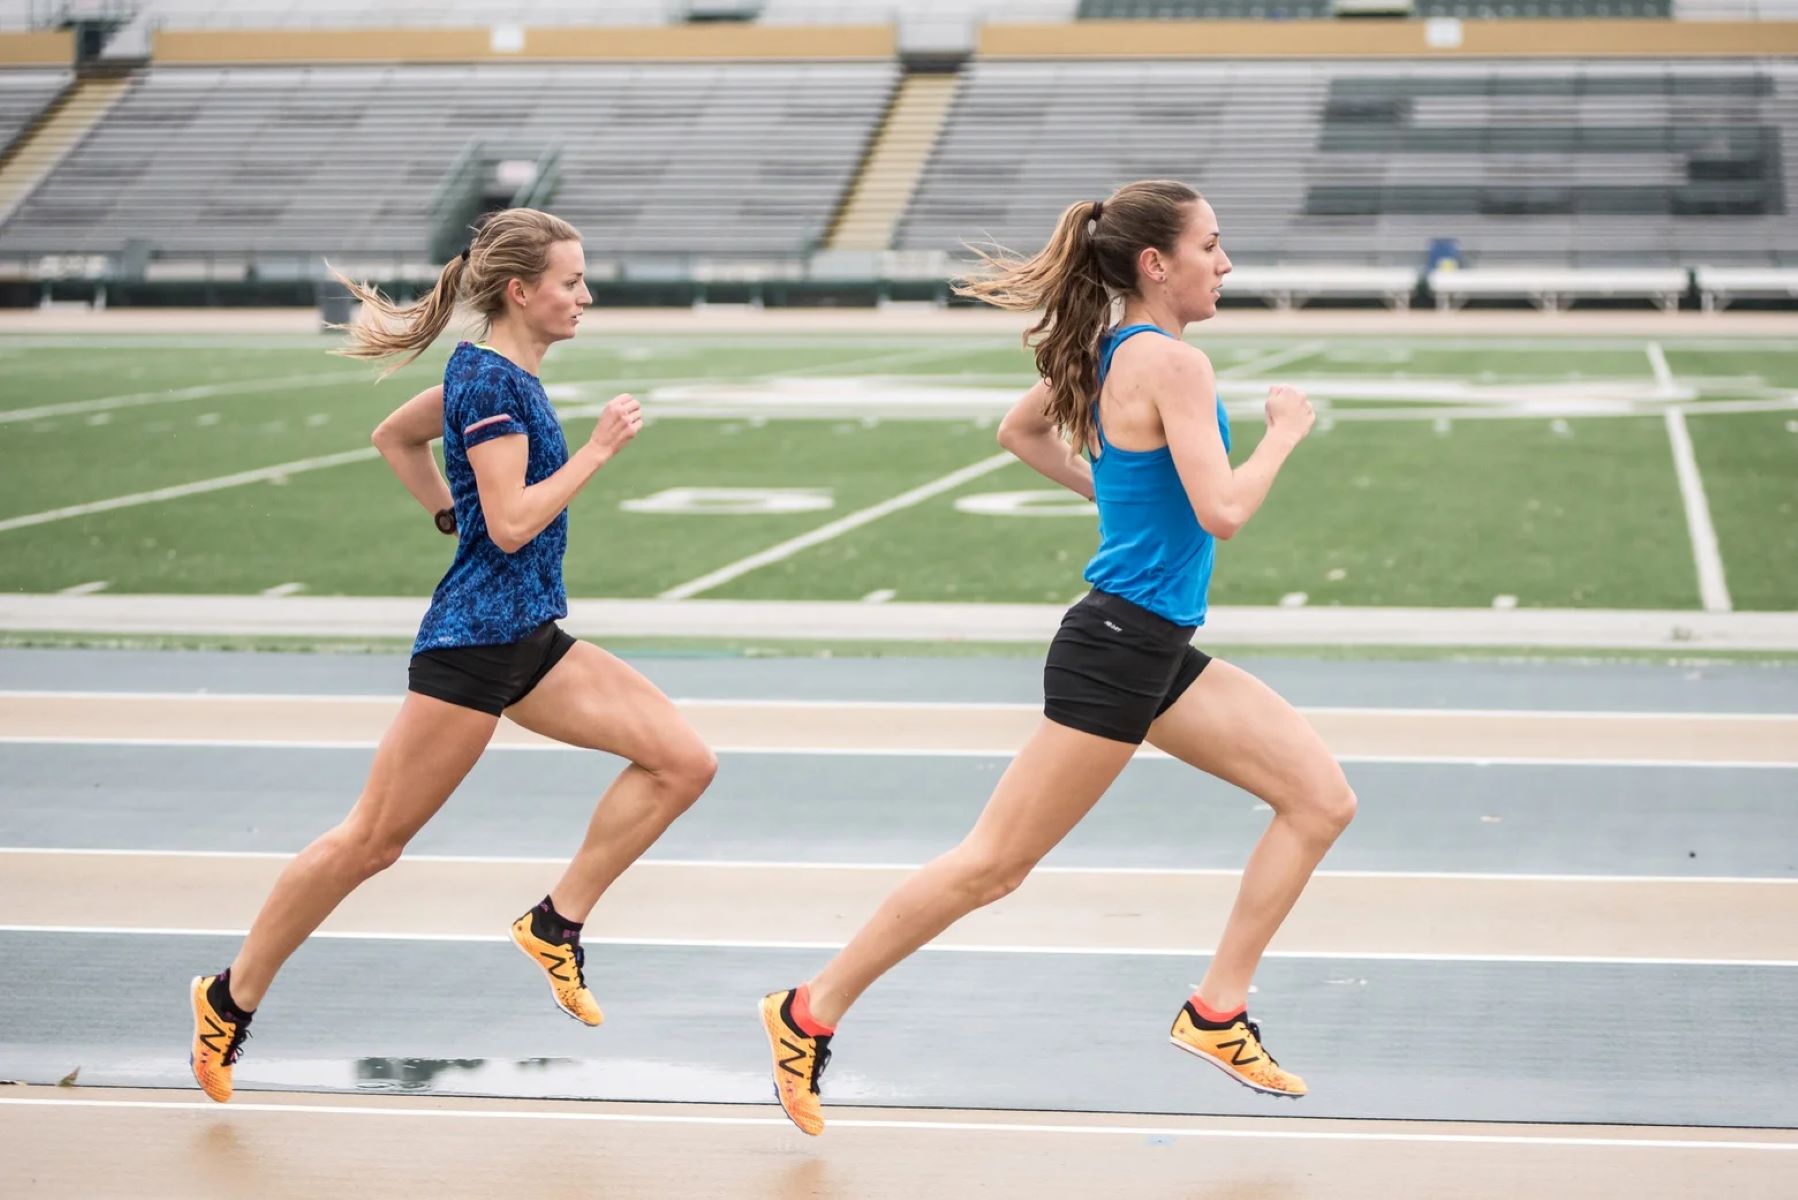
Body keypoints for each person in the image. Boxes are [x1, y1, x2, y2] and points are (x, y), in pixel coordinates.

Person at [759, 180, 1354, 1134]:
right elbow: (1225, 512)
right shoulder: (1171, 364)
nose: (1226, 263)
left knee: (1321, 801)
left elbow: (1018, 432)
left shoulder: (1112, 347)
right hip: (1118, 649)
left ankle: (1217, 1011)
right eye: (1212, 244)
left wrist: (1115, 503)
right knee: (993, 866)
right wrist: (1284, 434)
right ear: (1157, 264)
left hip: (1154, 645)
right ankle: (807, 1010)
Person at [188, 208, 718, 1103]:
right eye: (570, 282)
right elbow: (510, 526)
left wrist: (448, 512)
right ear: (520, 290)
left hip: (531, 638)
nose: (586, 296)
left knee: (683, 761)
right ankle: (228, 1000)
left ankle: (557, 923)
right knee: (371, 843)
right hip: (474, 649)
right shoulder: (497, 387)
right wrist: (595, 452)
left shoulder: (489, 371)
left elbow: (395, 438)